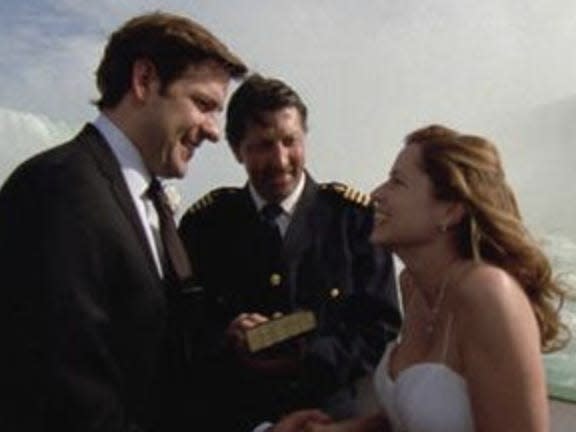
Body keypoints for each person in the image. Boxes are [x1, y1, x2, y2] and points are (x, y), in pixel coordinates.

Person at [0, 11, 248, 432]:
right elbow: (68, 399)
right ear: (144, 80)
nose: (214, 132)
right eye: (204, 105)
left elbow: (156, 363)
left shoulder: (149, 203)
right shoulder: (59, 191)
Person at [303, 124, 569, 432]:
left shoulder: (486, 292)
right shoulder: (414, 287)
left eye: (397, 182)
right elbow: (415, 417)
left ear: (450, 211)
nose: (376, 194)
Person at [178, 74, 401, 432]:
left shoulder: (352, 220)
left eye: (289, 141)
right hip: (234, 418)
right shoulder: (205, 226)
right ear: (237, 150)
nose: (280, 160)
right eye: (264, 145)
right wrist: (228, 338)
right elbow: (182, 327)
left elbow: (381, 325)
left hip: (330, 419)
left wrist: (305, 357)